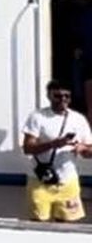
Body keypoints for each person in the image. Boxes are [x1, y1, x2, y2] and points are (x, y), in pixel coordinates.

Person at [20, 80, 92, 223]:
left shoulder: (78, 119)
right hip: (40, 181)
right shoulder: (38, 117)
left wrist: (83, 149)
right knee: (38, 226)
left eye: (67, 96)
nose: (63, 100)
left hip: (68, 181)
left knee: (68, 228)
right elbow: (28, 148)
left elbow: (89, 150)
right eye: (58, 96)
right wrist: (54, 144)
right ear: (49, 96)